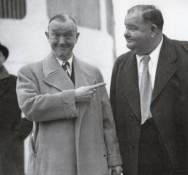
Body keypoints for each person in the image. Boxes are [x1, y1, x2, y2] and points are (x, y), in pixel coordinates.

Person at [110, 5, 188, 175]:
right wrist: (114, 157)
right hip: (137, 159)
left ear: (153, 29)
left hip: (181, 156)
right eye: (125, 27)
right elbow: (114, 116)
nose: (125, 33)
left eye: (132, 28)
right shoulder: (121, 64)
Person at [16, 14, 122, 175]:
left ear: (77, 37)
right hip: (52, 164)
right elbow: (30, 107)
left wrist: (114, 160)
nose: (62, 41)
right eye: (56, 35)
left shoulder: (93, 73)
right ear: (47, 36)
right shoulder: (30, 72)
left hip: (91, 163)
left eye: (68, 35)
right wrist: (72, 97)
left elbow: (107, 121)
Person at [0, 43, 32, 174]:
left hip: (10, 146)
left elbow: (34, 108)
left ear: (3, 58)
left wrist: (20, 132)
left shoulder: (17, 82)